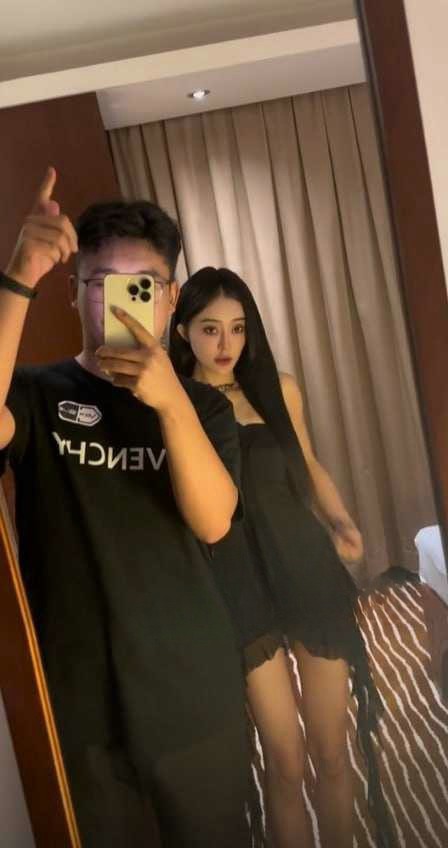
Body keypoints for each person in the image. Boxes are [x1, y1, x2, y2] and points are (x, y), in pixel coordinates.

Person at [0, 172, 255, 847]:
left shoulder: (204, 407)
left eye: (143, 284)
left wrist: (168, 400)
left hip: (193, 693)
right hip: (80, 706)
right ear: (73, 290)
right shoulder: (35, 392)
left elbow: (214, 521)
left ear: (169, 297)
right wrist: (18, 276)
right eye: (102, 283)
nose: (122, 299)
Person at [170, 267, 394, 848]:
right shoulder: (173, 402)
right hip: (235, 579)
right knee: (285, 763)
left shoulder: (279, 389)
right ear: (183, 330)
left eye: (238, 328)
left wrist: (342, 521)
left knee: (332, 751)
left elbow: (308, 463)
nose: (226, 344)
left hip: (302, 562)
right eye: (210, 329)